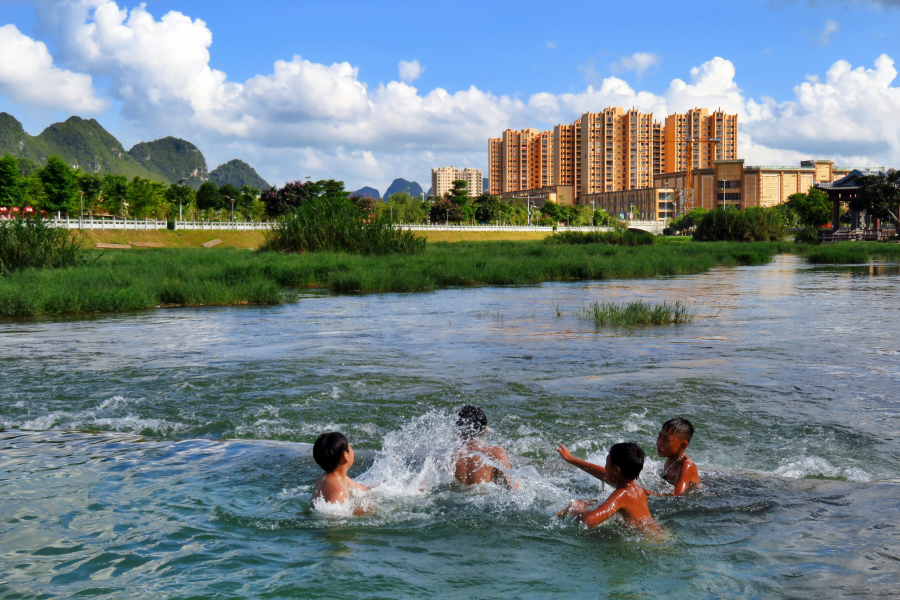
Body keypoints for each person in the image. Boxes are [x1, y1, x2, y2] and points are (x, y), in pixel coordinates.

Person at [556, 442, 659, 532]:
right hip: (657, 534)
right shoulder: (635, 488)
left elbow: (589, 520)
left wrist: (576, 507)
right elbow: (602, 474)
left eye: (607, 461)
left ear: (616, 470)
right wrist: (571, 459)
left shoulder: (622, 494)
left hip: (647, 542)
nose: (605, 467)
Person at [452, 405, 518, 489]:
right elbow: (513, 487)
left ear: (458, 430)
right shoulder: (495, 452)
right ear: (484, 430)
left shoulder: (450, 455)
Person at [310, 431, 370, 508]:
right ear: (346, 455)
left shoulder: (335, 478)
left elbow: (362, 489)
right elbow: (333, 516)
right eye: (350, 447)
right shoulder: (339, 489)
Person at [655, 417, 700, 496]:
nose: (660, 442)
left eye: (667, 440)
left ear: (683, 445)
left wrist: (647, 493)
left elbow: (676, 494)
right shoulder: (671, 459)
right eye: (659, 436)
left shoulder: (686, 466)